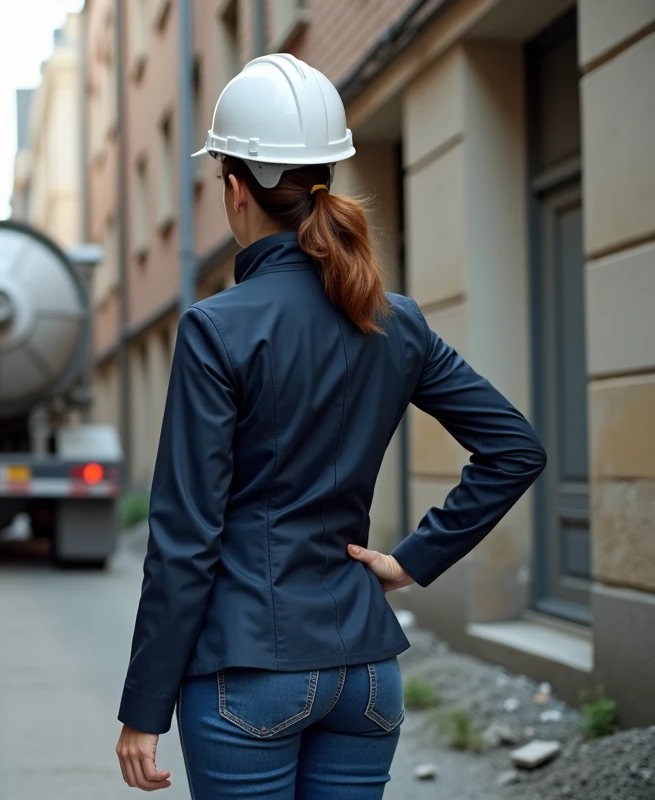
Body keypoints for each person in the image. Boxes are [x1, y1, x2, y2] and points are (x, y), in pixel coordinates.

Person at [113, 53, 546, 799]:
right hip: (365, 676)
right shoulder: (393, 319)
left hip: (246, 677)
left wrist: (142, 710)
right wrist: (413, 559)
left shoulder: (217, 329)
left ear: (236, 188)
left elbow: (185, 539)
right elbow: (516, 449)